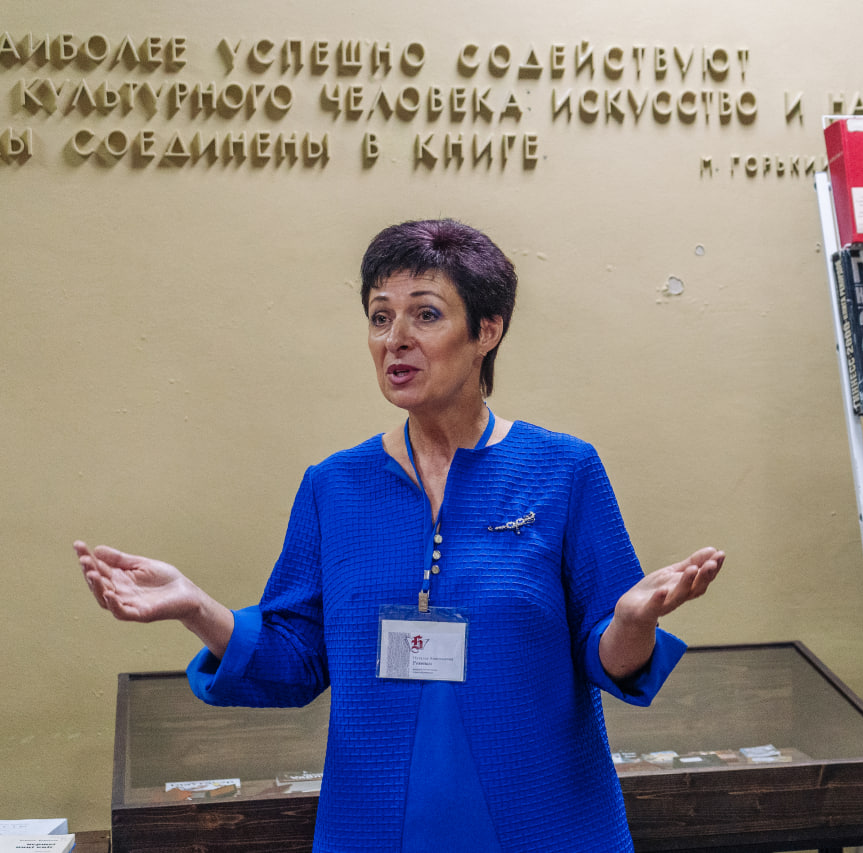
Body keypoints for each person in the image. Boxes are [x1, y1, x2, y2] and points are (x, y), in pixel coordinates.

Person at [75, 219, 726, 853]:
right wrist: (196, 607)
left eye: (426, 315)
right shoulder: (333, 485)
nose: (396, 339)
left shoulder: (564, 470)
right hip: (373, 827)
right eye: (380, 317)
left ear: (487, 330)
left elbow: (610, 656)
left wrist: (633, 621)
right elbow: (295, 658)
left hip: (548, 824)